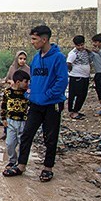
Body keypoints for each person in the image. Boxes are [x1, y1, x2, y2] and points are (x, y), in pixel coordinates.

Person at [8, 25, 68, 183]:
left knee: (50, 137)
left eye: (34, 39)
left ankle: (48, 168)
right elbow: (32, 79)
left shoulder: (58, 58)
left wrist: (48, 95)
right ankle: (21, 165)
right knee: (27, 134)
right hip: (35, 103)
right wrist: (31, 93)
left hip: (52, 104)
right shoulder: (36, 58)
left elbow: (62, 81)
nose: (32, 42)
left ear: (44, 39)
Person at [1, 70, 31, 174]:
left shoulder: (27, 94)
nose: (27, 84)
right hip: (11, 121)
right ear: (18, 82)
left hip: (23, 121)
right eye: (25, 81)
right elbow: (3, 106)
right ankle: (12, 161)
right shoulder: (8, 92)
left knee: (22, 143)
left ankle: (21, 163)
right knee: (10, 143)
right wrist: (3, 119)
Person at [66, 35, 91, 120]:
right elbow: (68, 63)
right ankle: (73, 112)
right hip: (76, 76)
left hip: (85, 76)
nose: (80, 47)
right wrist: (72, 70)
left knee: (83, 95)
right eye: (78, 45)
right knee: (75, 95)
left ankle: (77, 110)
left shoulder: (86, 51)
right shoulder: (73, 53)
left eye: (82, 44)